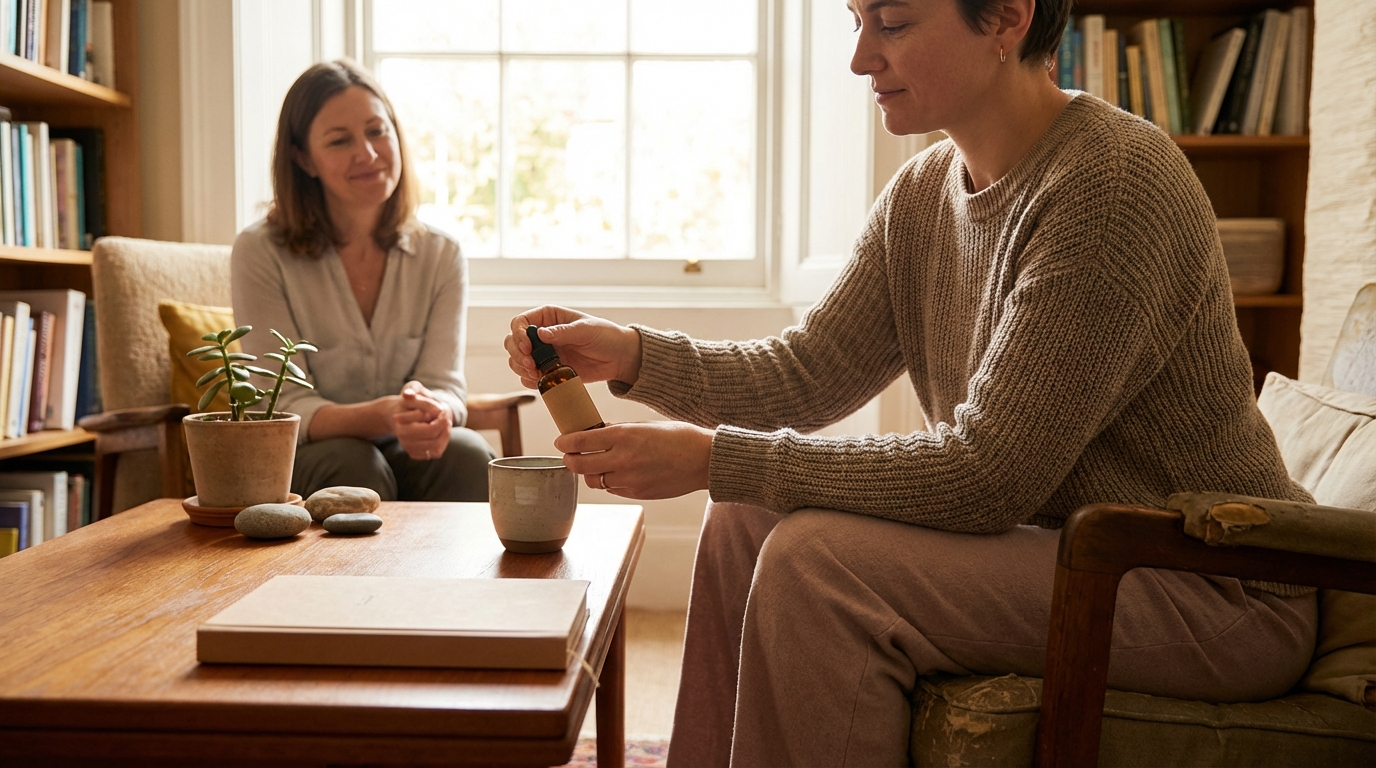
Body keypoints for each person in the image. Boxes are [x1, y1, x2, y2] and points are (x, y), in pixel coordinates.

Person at [504, 1, 1318, 765]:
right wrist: (634, 355)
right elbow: (807, 372)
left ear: (1006, 15)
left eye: (891, 22)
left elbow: (986, 474)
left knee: (816, 562)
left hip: (1205, 583)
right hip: (1072, 549)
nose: (860, 57)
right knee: (743, 520)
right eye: (856, 20)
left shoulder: (1112, 187)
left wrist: (714, 457)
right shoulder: (925, 193)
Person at [233, 60, 494, 503]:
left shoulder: (440, 253)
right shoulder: (260, 251)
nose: (368, 154)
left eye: (377, 131)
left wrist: (433, 411)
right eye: (340, 141)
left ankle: (466, 577)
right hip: (310, 454)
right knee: (354, 465)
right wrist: (382, 415)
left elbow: (446, 385)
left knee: (468, 452)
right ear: (303, 159)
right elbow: (284, 406)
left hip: (403, 447)